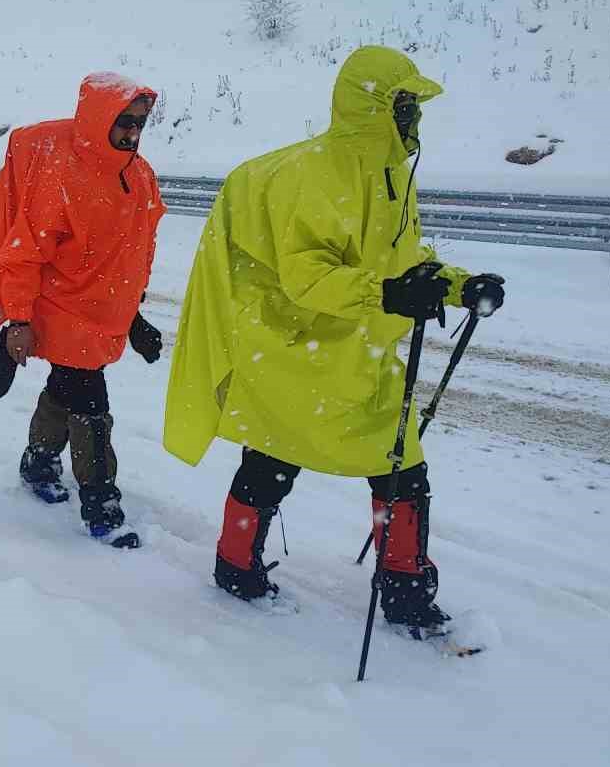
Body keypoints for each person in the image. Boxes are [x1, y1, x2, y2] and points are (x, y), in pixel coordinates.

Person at [163, 46, 508, 638]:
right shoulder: (315, 174)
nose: (414, 120)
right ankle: (270, 571)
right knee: (330, 468)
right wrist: (392, 294)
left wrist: (453, 285)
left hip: (353, 355)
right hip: (300, 352)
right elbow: (309, 277)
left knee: (353, 468)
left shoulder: (390, 172)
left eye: (417, 107)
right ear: (372, 105)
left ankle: (274, 569)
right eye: (405, 106)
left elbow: (402, 263)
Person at [0, 73, 167, 548]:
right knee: (92, 405)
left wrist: (134, 316)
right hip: (65, 312)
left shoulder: (141, 176)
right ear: (98, 120)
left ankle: (38, 462)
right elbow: (22, 254)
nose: (132, 132)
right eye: (123, 122)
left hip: (107, 316)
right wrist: (20, 321)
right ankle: (100, 503)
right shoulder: (63, 175)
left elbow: (137, 253)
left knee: (65, 388)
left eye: (139, 123)